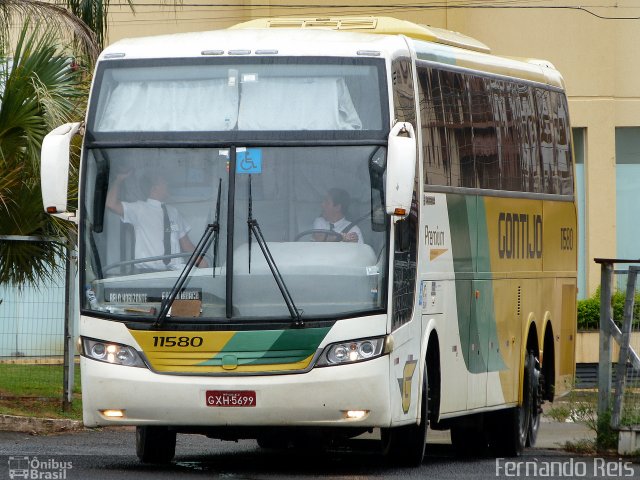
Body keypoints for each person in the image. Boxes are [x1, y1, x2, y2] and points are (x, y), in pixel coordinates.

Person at [106, 170, 207, 270]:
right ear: (153, 188)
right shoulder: (139, 209)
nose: (167, 185)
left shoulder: (173, 212)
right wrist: (118, 180)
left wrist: (203, 264)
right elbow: (111, 204)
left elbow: (186, 244)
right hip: (150, 276)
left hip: (176, 274)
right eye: (163, 183)